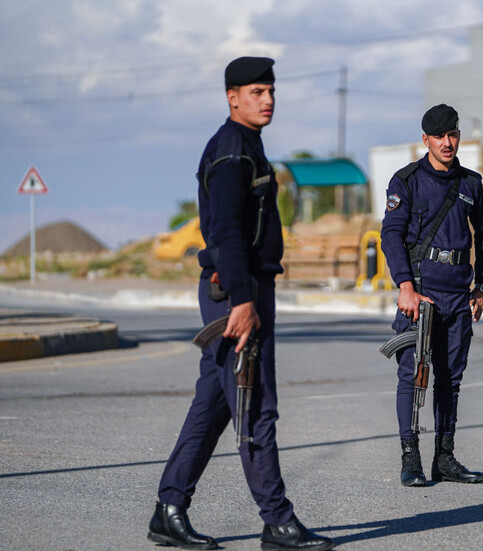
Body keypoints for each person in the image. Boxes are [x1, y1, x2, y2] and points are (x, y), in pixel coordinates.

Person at [147, 57, 334, 551]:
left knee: (211, 408)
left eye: (271, 90)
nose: (267, 99)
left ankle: (168, 510)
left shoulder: (247, 145)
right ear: (233, 97)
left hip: (243, 288)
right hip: (234, 295)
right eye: (256, 91)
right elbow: (224, 232)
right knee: (255, 405)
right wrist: (244, 300)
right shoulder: (232, 150)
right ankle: (277, 521)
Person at [380, 103, 483, 487]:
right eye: (440, 137)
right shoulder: (406, 181)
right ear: (425, 140)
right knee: (413, 376)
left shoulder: (470, 182)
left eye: (453, 134)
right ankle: (409, 458)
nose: (448, 143)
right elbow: (391, 235)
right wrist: (406, 287)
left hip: (457, 295)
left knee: (452, 380)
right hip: (421, 296)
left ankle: (444, 458)